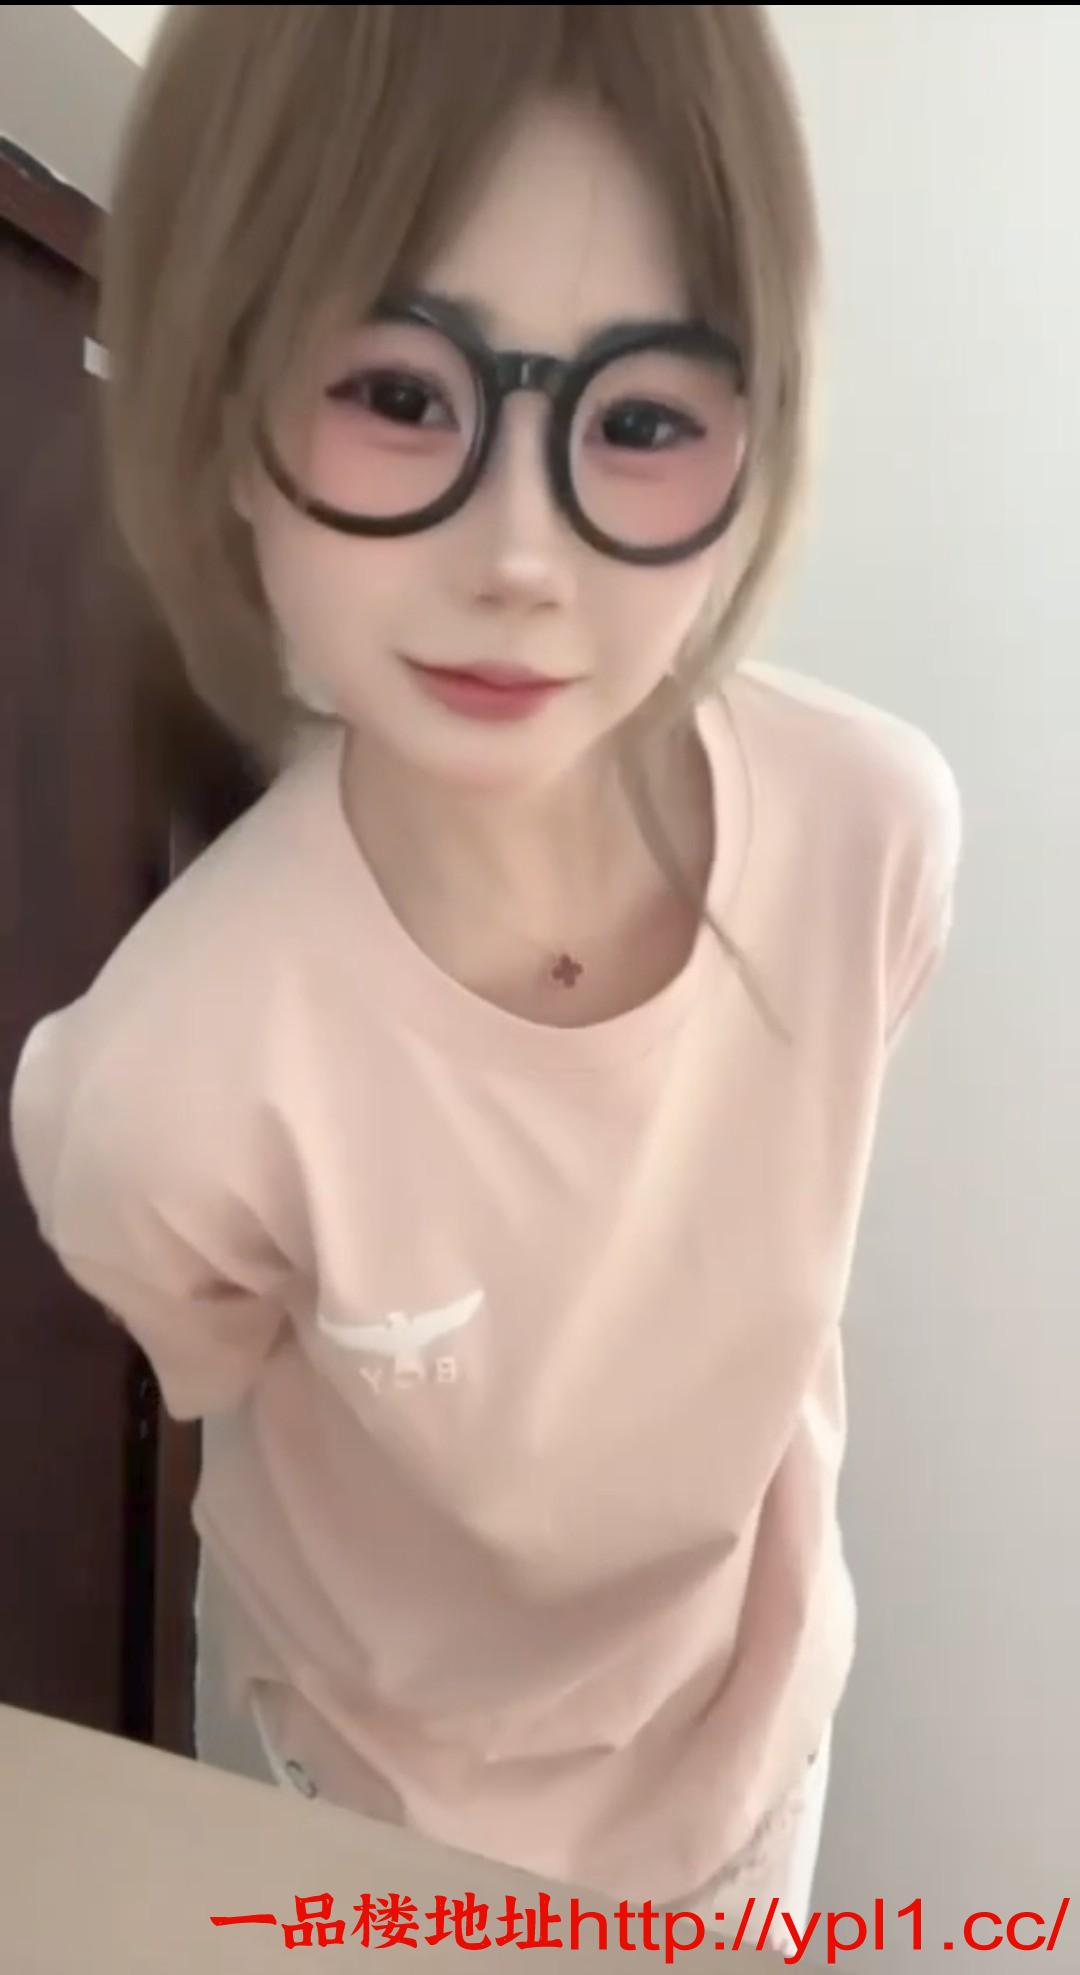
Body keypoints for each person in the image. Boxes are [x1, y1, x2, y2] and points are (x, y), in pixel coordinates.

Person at [9, 3, 962, 1947]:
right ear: (223, 410)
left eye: (639, 419)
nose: (519, 552)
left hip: (753, 1755)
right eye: (398, 390)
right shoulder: (162, 1088)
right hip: (373, 1810)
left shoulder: (869, 837)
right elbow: (220, 1365)